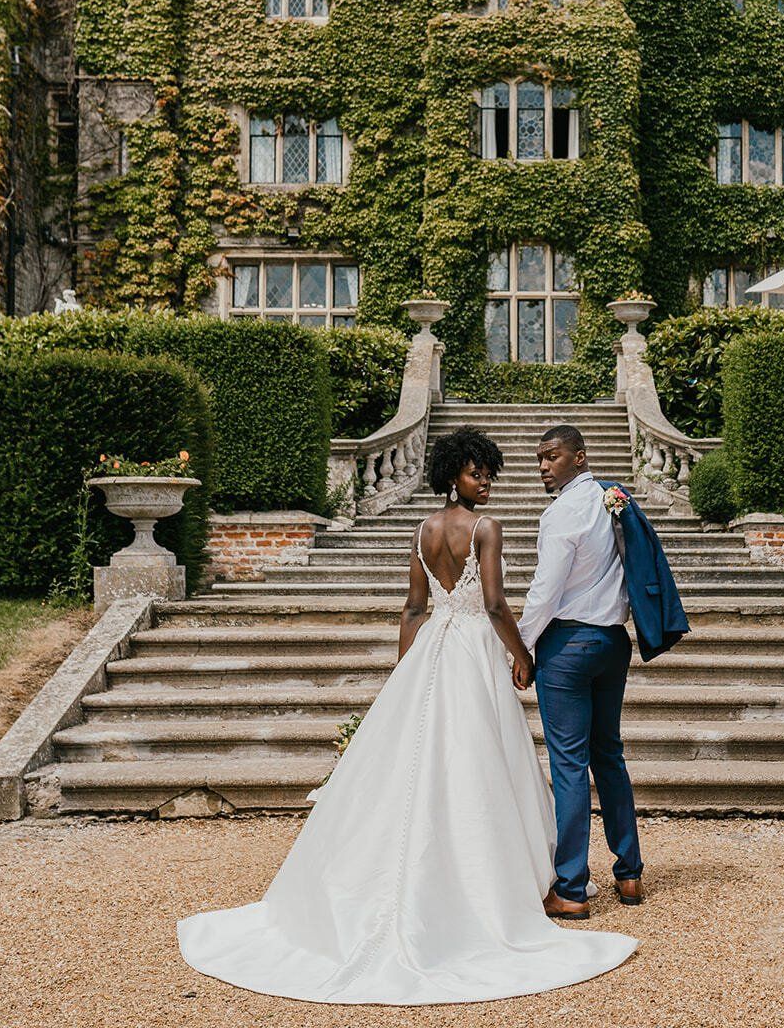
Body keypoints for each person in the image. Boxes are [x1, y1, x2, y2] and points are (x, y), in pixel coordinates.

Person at [177, 426, 637, 1005]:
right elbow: (495, 604)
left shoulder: (423, 531)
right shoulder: (486, 528)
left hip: (433, 652)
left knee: (426, 758)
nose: (487, 481)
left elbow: (414, 608)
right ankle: (497, 878)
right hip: (473, 648)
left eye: (490, 471)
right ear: (453, 476)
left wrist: (404, 674)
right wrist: (522, 654)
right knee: (478, 758)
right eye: (477, 473)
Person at [516, 424, 644, 920]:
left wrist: (522, 646)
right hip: (613, 641)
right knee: (608, 755)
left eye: (552, 457)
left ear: (579, 457)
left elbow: (546, 590)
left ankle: (571, 887)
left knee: (570, 764)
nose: (545, 467)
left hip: (569, 643)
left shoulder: (561, 513)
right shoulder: (613, 499)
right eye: (540, 460)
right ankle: (629, 874)